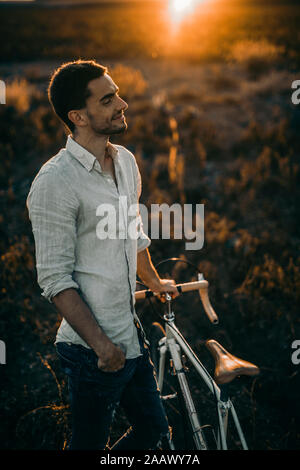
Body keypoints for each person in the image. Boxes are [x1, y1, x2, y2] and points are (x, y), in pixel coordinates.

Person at [26, 59, 179, 450]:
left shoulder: (125, 162)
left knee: (155, 434)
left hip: (130, 335)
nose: (122, 104)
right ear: (78, 115)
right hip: (90, 351)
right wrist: (102, 347)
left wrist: (154, 281)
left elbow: (134, 234)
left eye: (118, 95)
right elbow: (55, 280)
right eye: (108, 99)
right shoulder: (55, 182)